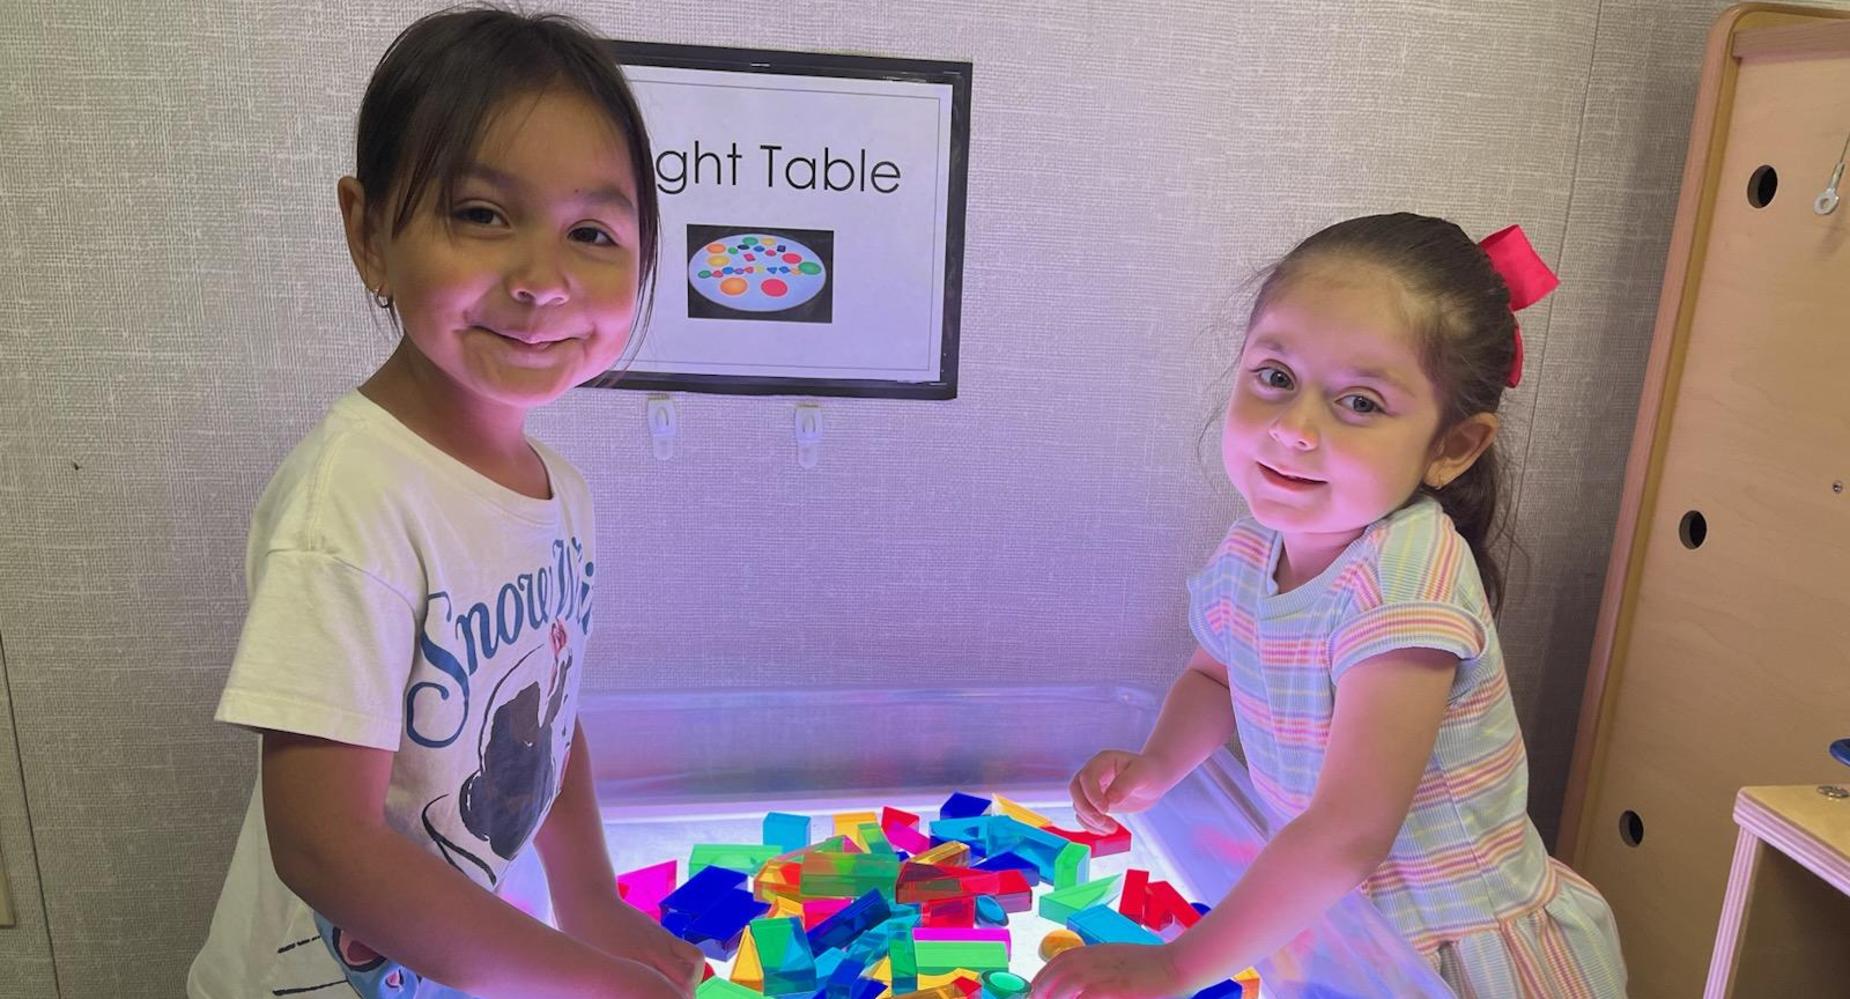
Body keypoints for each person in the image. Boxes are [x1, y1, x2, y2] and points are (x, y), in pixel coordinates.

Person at [188, 8, 702, 997]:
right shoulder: (354, 497)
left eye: (591, 232)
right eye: (481, 214)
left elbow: (547, 716)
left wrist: (587, 898)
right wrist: (587, 983)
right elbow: (324, 844)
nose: (541, 281)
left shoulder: (562, 495)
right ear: (369, 231)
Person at [1035, 214, 1626, 998]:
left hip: (1451, 954)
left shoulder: (1406, 576)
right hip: (1342, 926)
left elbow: (1349, 831)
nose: (1294, 429)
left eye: (1359, 402)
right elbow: (1217, 677)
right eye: (1275, 377)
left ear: (1453, 447)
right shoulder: (1255, 545)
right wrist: (1155, 767)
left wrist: (1177, 963)